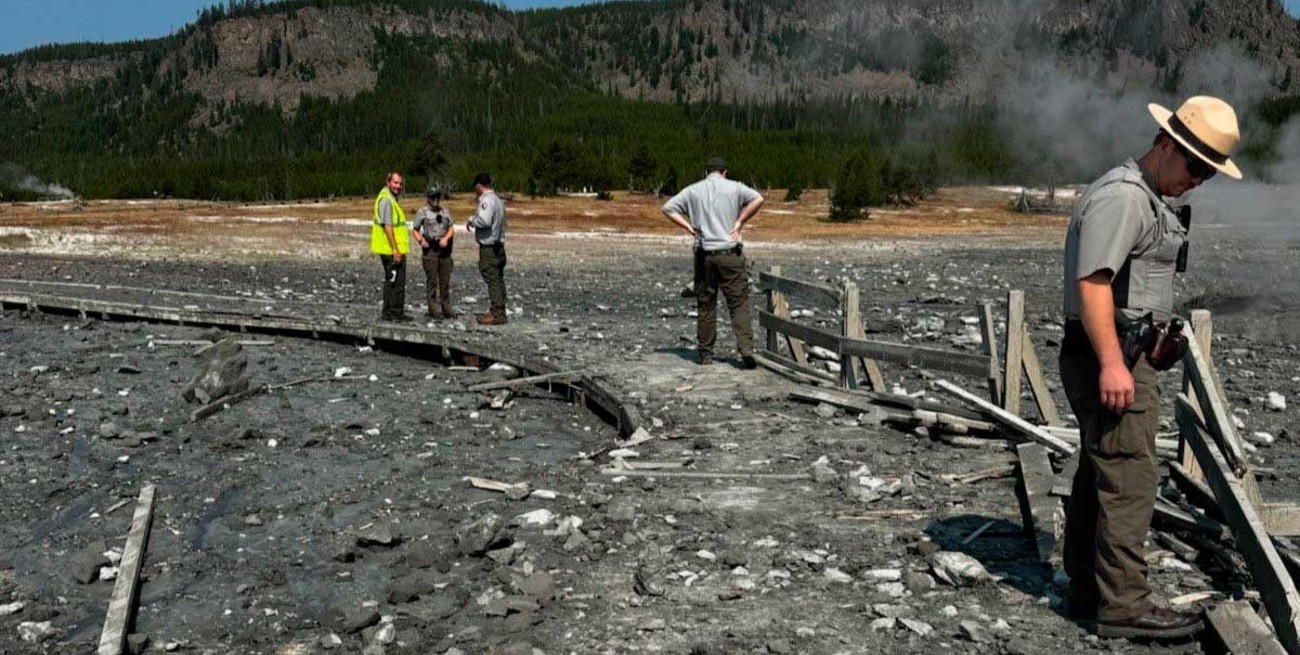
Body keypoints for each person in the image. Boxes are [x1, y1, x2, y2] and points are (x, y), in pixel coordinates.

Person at [1060, 96, 1241, 640]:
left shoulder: (1145, 197)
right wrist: (1114, 363)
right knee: (1131, 476)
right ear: (1166, 145)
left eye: (1209, 172)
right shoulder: (1125, 198)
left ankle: (1089, 588)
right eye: (1195, 166)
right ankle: (1124, 607)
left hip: (1122, 350)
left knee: (1104, 469)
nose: (1199, 179)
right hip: (1111, 354)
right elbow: (1092, 284)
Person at [661, 156, 765, 368]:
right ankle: (746, 349)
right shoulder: (735, 187)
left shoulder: (693, 190)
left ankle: (706, 353)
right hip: (730, 251)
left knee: (706, 303)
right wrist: (739, 222)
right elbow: (758, 199)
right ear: (724, 172)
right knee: (738, 302)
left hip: (704, 253)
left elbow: (668, 208)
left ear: (706, 172)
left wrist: (689, 228)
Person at [466, 172, 508, 325]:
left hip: (489, 246)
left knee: (492, 278)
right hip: (498, 245)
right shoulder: (498, 200)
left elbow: (484, 220)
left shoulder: (487, 201)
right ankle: (499, 308)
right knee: (498, 278)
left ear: (479, 185)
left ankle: (497, 313)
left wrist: (472, 220)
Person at [370, 172, 411, 322]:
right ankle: (395, 313)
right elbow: (388, 226)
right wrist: (395, 250)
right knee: (396, 282)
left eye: (400, 183)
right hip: (390, 249)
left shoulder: (388, 198)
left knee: (391, 280)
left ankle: (388, 313)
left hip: (388, 248)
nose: (398, 186)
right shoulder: (387, 200)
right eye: (395, 183)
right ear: (388, 182)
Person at [412, 189, 455, 318]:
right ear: (428, 199)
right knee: (432, 281)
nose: (436, 200)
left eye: (438, 197)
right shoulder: (422, 213)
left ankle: (446, 308)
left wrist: (446, 238)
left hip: (445, 250)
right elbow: (415, 229)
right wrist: (421, 240)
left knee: (445, 281)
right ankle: (433, 309)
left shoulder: (445, 212)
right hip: (430, 248)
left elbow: (451, 228)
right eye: (433, 197)